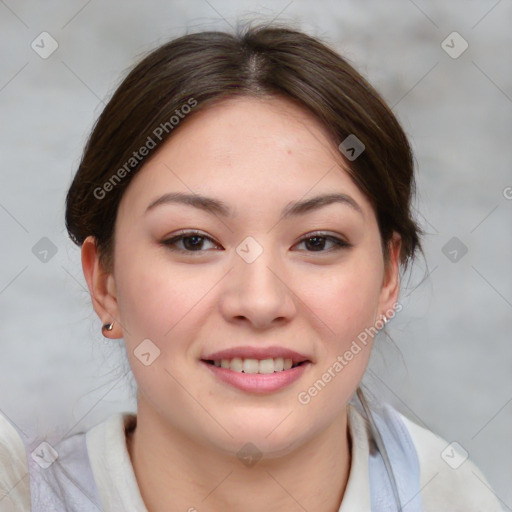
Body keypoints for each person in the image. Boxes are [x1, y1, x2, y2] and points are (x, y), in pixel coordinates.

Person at [0, 22, 504, 512]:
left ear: (388, 278)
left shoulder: (451, 496)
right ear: (104, 282)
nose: (260, 303)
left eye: (318, 241)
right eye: (193, 241)